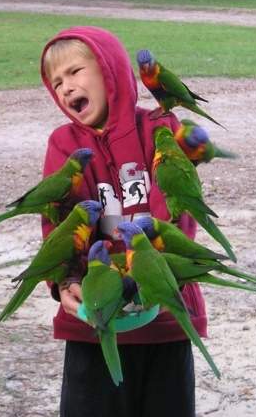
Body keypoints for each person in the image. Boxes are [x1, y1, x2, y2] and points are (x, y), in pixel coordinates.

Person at [40, 26, 208, 417]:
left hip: (165, 317)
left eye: (75, 72)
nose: (66, 87)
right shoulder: (64, 146)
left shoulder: (162, 130)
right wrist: (64, 281)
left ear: (110, 69)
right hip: (95, 324)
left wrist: (160, 277)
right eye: (56, 82)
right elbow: (58, 226)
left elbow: (180, 215)